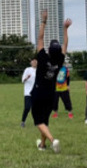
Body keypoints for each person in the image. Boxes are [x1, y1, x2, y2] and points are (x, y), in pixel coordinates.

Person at [31, 9, 72, 153]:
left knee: (38, 121)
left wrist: (44, 21)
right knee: (45, 121)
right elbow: (66, 45)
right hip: (51, 94)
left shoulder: (42, 57)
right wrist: (65, 29)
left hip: (38, 93)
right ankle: (42, 145)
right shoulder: (60, 60)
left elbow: (40, 38)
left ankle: (52, 140)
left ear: (48, 50)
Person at [21, 58, 37, 127]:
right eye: (33, 61)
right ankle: (23, 121)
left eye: (35, 61)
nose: (34, 62)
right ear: (31, 62)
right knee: (27, 107)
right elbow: (23, 81)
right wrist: (26, 78)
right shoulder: (27, 69)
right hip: (28, 92)